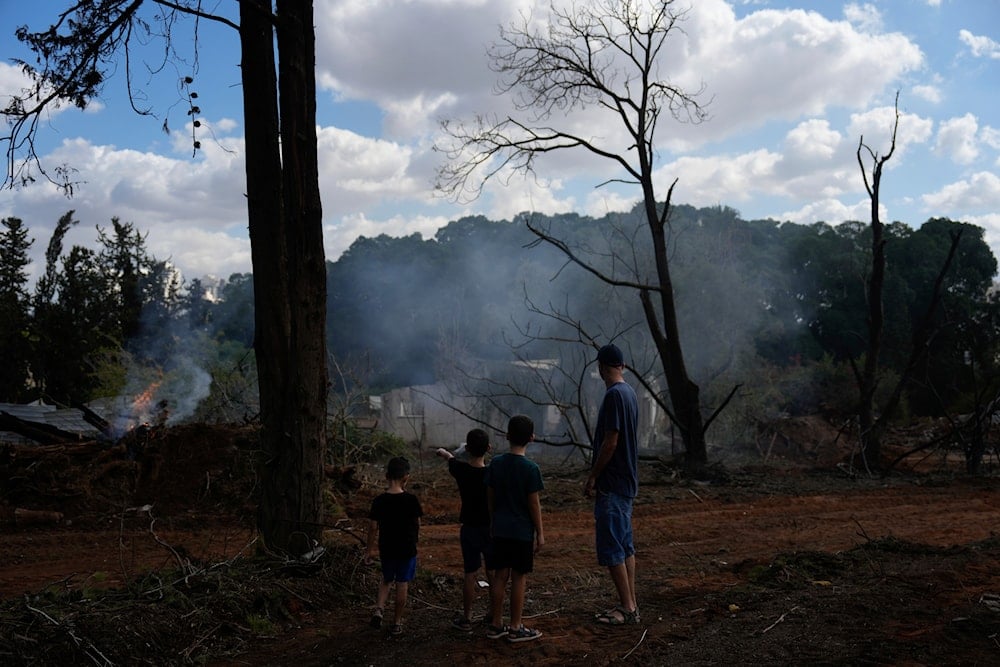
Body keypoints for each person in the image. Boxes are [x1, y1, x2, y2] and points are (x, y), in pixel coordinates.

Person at [584, 343, 641, 625]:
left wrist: (594, 475)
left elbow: (611, 441)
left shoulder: (614, 395)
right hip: (626, 481)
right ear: (622, 365)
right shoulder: (629, 392)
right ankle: (631, 602)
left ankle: (627, 608)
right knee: (625, 545)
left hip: (614, 482)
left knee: (612, 546)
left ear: (601, 368)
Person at [484, 415, 545, 643]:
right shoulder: (531, 469)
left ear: (507, 436)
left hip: (500, 529)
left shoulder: (496, 464)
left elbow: (490, 497)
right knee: (519, 577)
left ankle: (495, 624)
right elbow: (533, 504)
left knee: (500, 576)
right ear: (532, 438)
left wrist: (492, 521)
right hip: (521, 532)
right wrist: (540, 532)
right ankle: (515, 626)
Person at [435, 429, 496, 631]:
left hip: (469, 528)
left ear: (467, 448)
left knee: (470, 573)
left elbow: (450, 459)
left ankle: (467, 617)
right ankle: (493, 614)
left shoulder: (461, 471)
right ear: (488, 448)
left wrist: (443, 452)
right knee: (492, 572)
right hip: (490, 528)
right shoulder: (491, 473)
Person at [365, 456, 424, 637]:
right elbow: (417, 523)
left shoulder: (379, 501)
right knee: (402, 583)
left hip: (387, 547)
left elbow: (373, 527)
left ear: (386, 476)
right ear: (406, 477)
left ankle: (379, 609)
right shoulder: (411, 500)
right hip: (406, 548)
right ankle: (397, 622)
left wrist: (369, 550)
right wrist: (415, 538)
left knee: (386, 579)